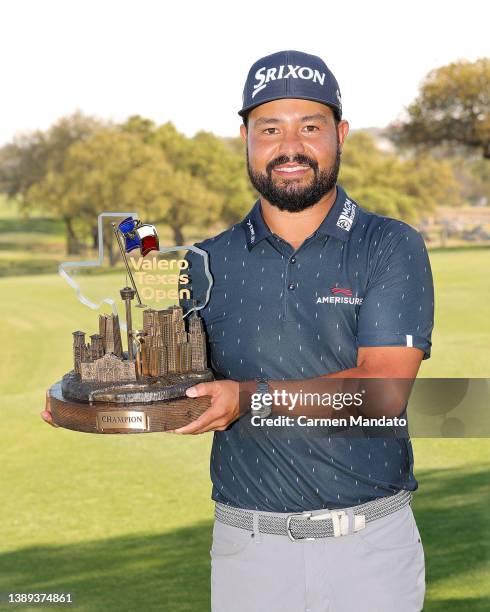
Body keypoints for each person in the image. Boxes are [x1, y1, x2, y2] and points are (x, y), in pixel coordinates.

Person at [42, 50, 434, 612]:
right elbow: (170, 377)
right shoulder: (203, 262)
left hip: (368, 547)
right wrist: (86, 394)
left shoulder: (389, 245)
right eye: (270, 128)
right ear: (246, 137)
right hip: (249, 552)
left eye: (310, 126)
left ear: (341, 134)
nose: (290, 146)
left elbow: (383, 392)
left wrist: (246, 401)